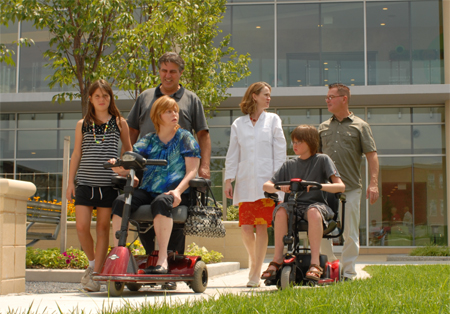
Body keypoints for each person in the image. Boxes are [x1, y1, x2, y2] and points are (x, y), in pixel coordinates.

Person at [122, 52, 211, 290]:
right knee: (131, 205)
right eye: (164, 70)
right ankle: (146, 259)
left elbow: (202, 134)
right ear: (159, 71)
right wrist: (128, 164)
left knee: (167, 205)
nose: (168, 75)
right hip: (148, 175)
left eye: (173, 71)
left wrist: (204, 166)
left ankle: (168, 265)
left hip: (177, 173)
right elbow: (131, 131)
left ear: (180, 72)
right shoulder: (145, 97)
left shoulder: (191, 100)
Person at [110, 95, 201, 274]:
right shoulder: (149, 140)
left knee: (161, 201)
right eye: (169, 111)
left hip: (173, 191)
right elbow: (130, 161)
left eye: (175, 110)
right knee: (120, 201)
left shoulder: (185, 137)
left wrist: (177, 191)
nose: (174, 114)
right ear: (158, 115)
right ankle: (118, 256)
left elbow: (192, 171)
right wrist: (118, 165)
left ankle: (163, 260)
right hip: (148, 189)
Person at [66, 79, 132, 292]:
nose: (102, 100)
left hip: (108, 184)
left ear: (110, 98)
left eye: (106, 96)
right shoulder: (82, 124)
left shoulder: (120, 122)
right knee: (82, 227)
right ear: (90, 99)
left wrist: (123, 169)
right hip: (85, 182)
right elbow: (76, 154)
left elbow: (128, 152)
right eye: (97, 96)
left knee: (103, 228)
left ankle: (96, 276)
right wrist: (70, 182)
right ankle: (94, 265)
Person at [261, 125, 345, 282]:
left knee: (313, 211)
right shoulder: (289, 165)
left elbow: (340, 186)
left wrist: (317, 186)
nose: (295, 145)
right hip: (294, 207)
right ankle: (277, 259)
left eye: (299, 142)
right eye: (293, 142)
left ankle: (315, 264)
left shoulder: (322, 160)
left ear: (310, 142)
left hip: (318, 206)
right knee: (280, 211)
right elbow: (266, 186)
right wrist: (279, 187)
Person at [224, 82, 286, 288]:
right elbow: (233, 153)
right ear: (254, 96)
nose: (269, 98)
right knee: (246, 228)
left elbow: (280, 153)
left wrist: (279, 182)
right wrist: (228, 179)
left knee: (261, 227)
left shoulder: (273, 120)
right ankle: (254, 260)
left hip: (267, 182)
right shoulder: (238, 124)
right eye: (265, 95)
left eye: (270, 95)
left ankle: (255, 271)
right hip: (245, 181)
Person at [319, 83, 379, 281]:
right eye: (327, 97)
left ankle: (348, 272)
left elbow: (372, 156)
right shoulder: (323, 127)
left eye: (331, 97)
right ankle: (330, 266)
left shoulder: (361, 126)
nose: (327, 100)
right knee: (320, 229)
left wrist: (373, 183)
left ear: (344, 99)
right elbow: (316, 158)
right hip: (326, 189)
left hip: (351, 188)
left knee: (350, 232)